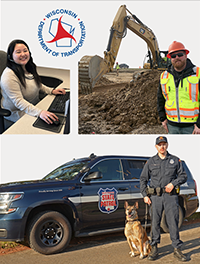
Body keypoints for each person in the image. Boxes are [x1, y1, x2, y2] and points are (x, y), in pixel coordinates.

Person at [140, 136, 187, 261]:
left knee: (173, 223)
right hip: (156, 197)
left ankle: (177, 249)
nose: (162, 147)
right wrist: (145, 195)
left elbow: (183, 176)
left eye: (164, 144)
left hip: (170, 197)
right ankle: (154, 248)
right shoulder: (151, 162)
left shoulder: (175, 160)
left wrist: (173, 183)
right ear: (156, 147)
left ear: (167, 145)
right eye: (159, 144)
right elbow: (143, 179)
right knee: (155, 223)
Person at [0, 39, 66, 129]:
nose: (23, 54)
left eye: (25, 51)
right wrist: (39, 112)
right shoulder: (9, 76)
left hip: (33, 106)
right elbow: (19, 102)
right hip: (16, 112)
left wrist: (51, 91)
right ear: (10, 56)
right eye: (18, 52)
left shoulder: (28, 67)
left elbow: (37, 84)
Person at [157, 41, 200, 134]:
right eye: (173, 56)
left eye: (180, 54)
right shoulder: (164, 76)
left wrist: (199, 124)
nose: (177, 58)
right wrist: (162, 119)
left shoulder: (197, 73)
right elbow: (160, 99)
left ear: (185, 55)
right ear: (170, 58)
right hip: (172, 126)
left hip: (193, 127)